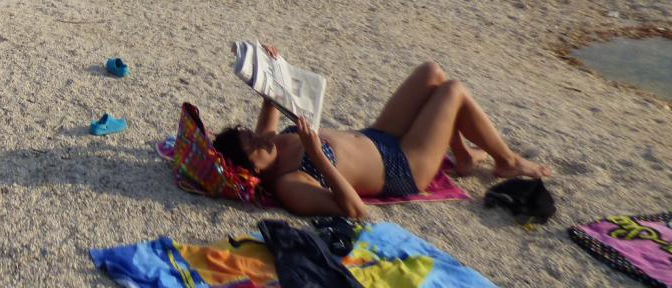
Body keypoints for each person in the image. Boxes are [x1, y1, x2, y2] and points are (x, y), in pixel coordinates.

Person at [213, 56, 550, 219]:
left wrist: (270, 65)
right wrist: (317, 157)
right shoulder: (289, 183)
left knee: (431, 72)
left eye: (252, 135)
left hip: (378, 135)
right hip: (402, 166)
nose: (260, 140)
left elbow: (272, 99)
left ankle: (462, 154)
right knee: (453, 91)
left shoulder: (269, 143)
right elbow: (356, 211)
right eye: (254, 147)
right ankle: (507, 161)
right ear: (251, 171)